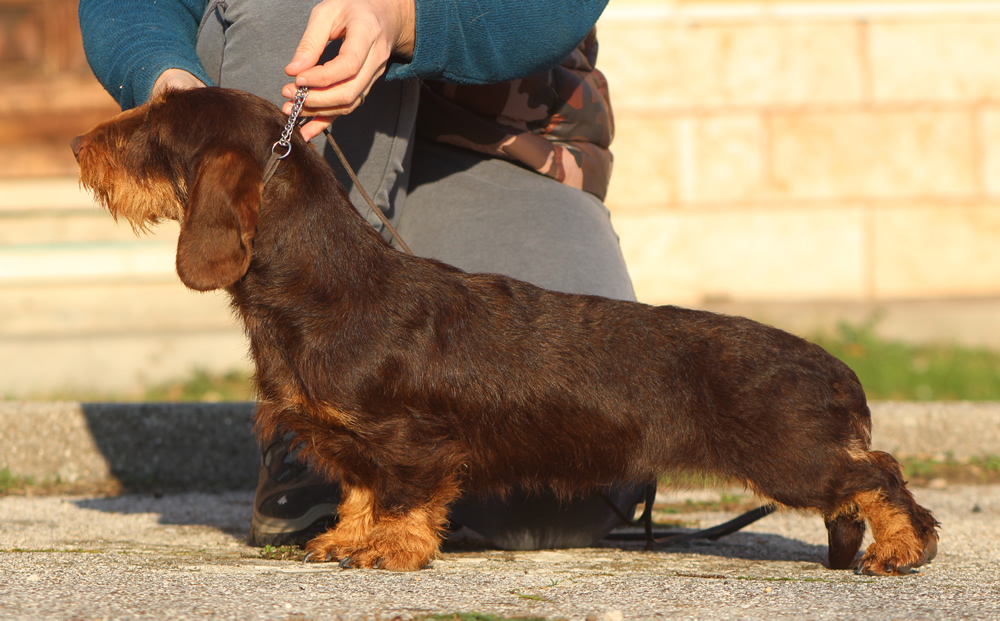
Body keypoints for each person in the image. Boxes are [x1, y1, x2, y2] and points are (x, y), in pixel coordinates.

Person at [78, 0, 650, 551]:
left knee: (568, 490)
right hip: (306, 148)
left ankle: (397, 452)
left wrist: (406, 18)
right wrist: (172, 90)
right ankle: (305, 442)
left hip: (502, 149)